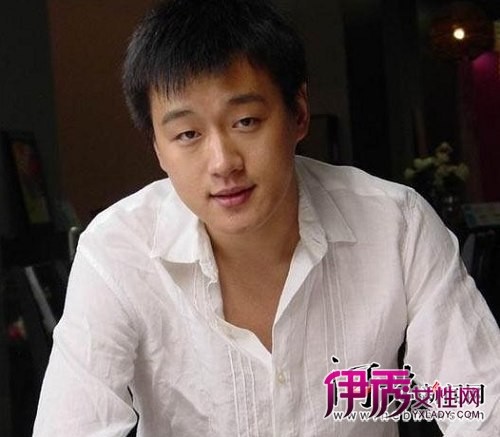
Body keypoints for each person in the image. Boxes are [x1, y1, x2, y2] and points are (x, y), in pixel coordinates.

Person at [33, 0, 500, 435]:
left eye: (246, 122)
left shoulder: (396, 225)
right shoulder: (117, 251)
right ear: (157, 147)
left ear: (299, 113)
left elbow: (481, 405)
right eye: (188, 134)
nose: (223, 163)